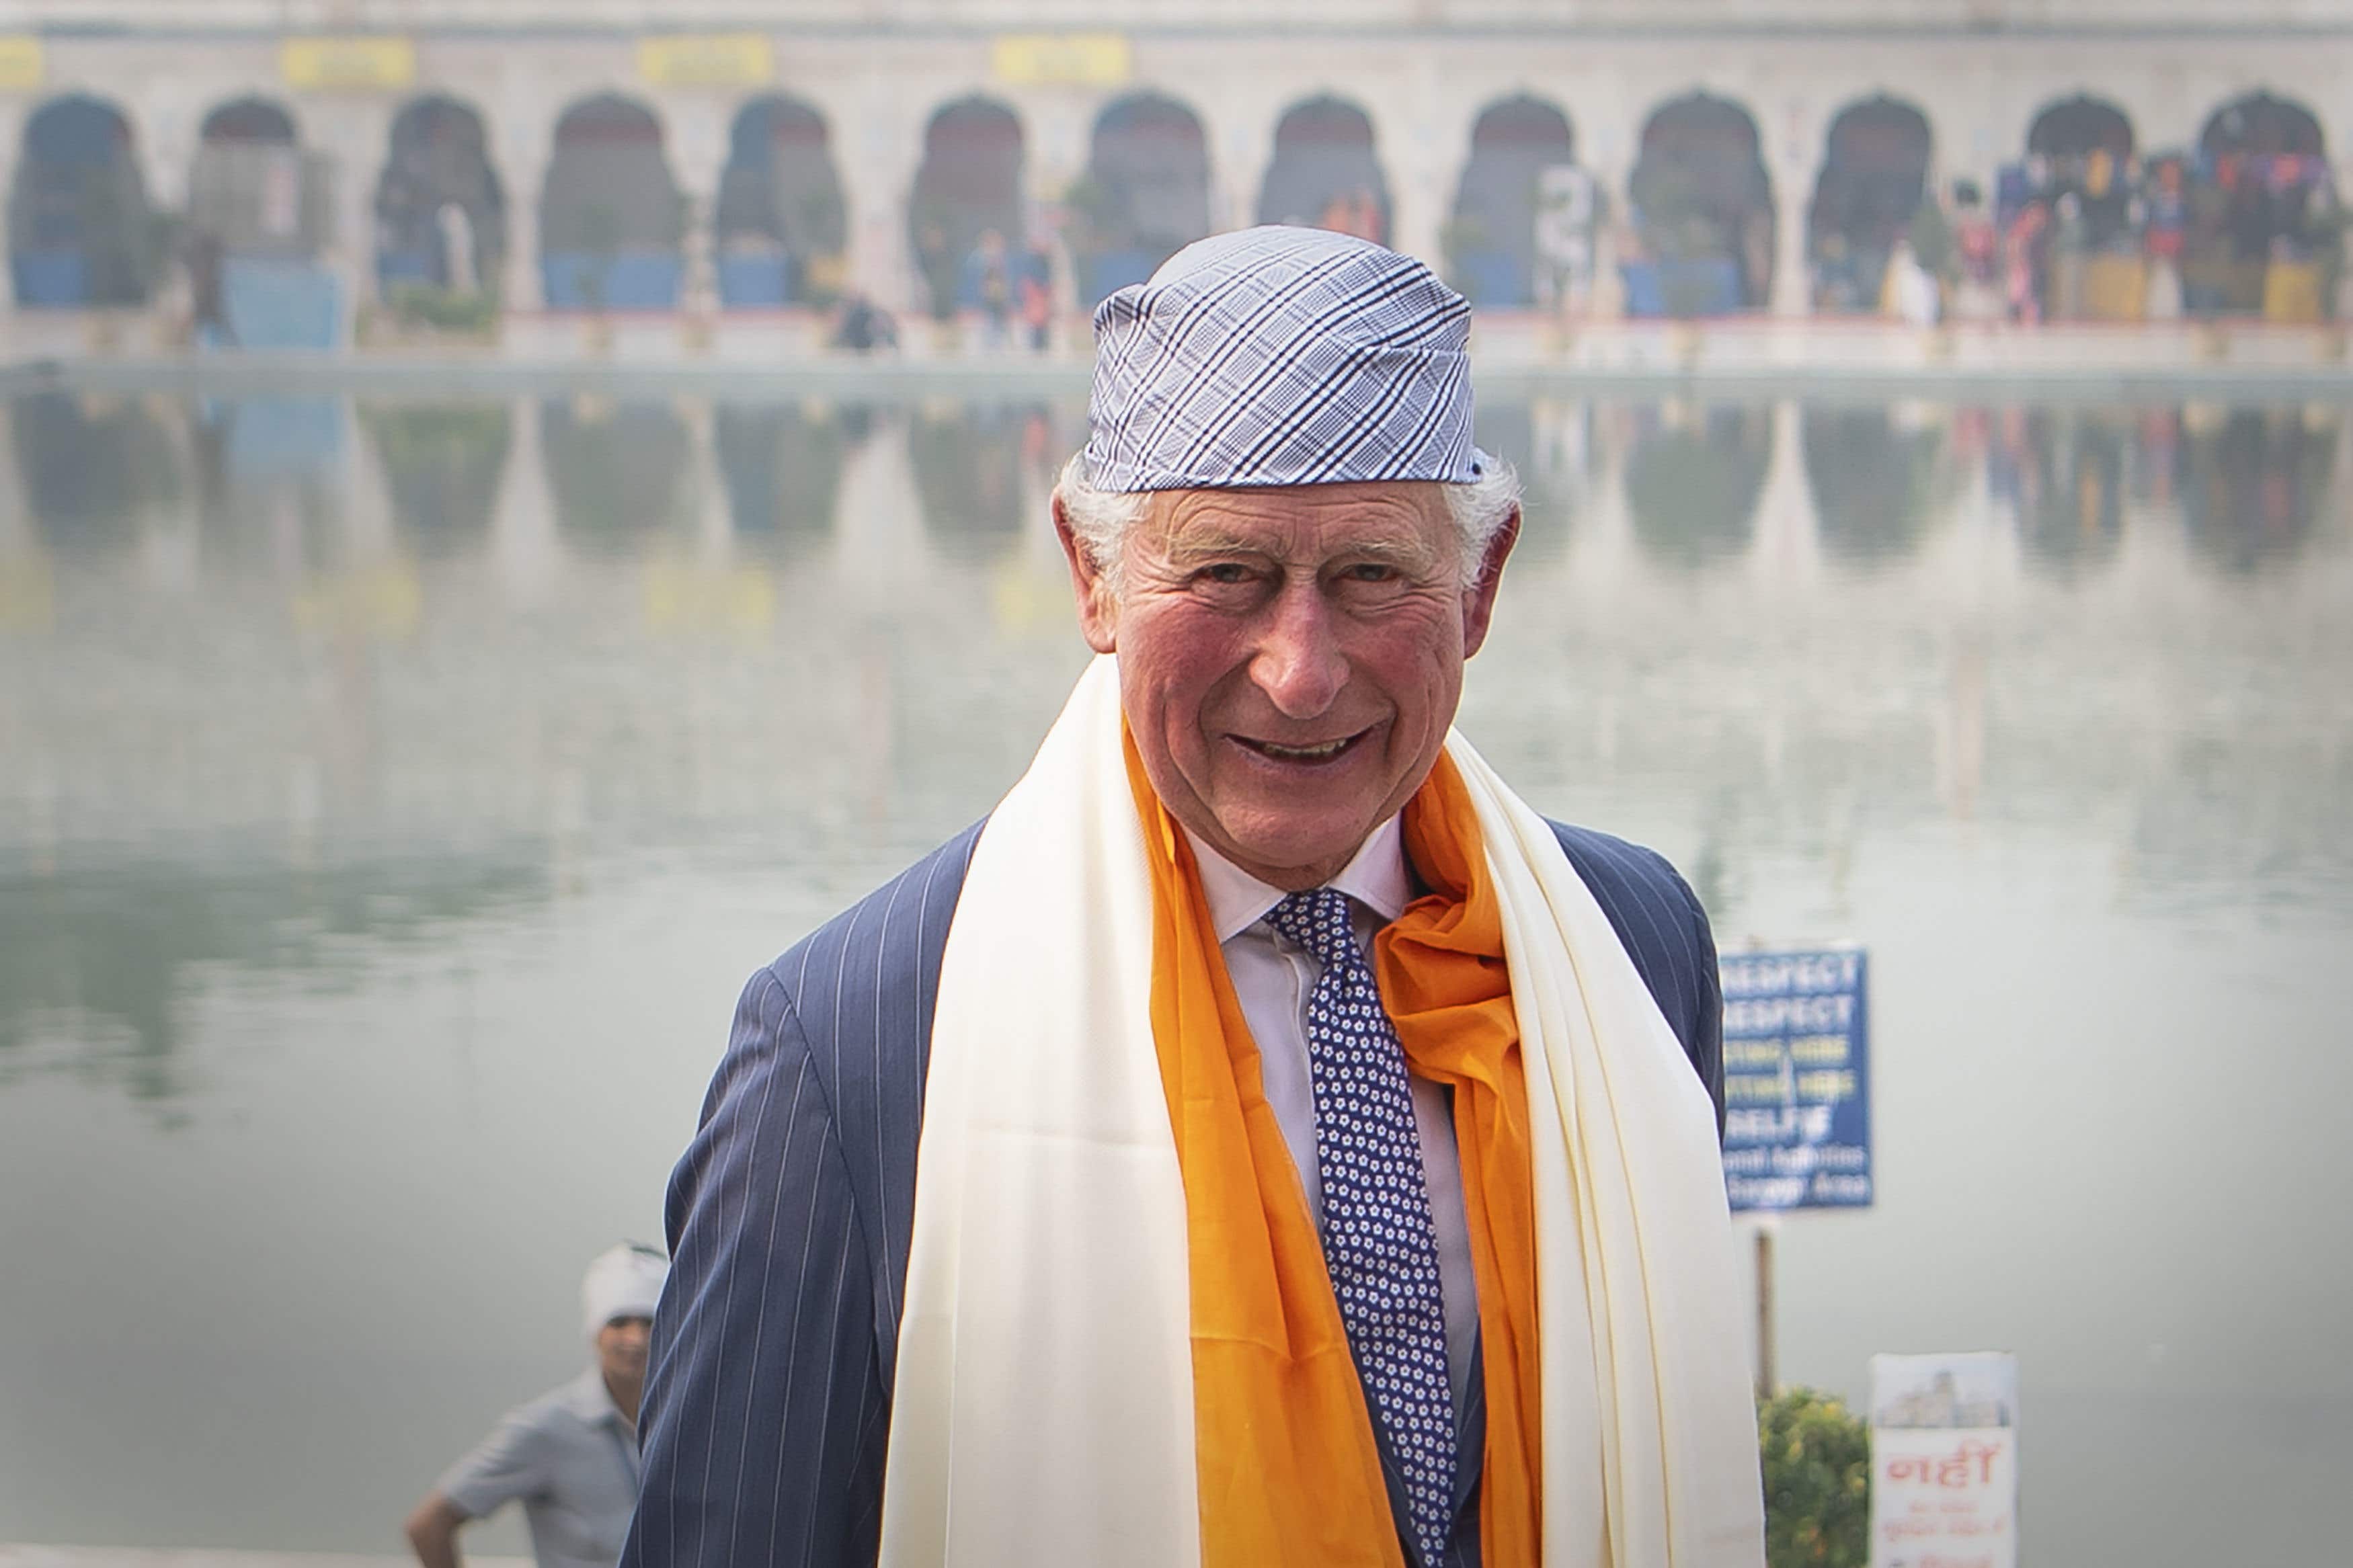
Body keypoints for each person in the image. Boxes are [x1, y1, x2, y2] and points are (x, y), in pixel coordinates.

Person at [625, 226, 1763, 1568]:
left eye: (1371, 576)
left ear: (1483, 581)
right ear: (1091, 574)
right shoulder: (858, 1043)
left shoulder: (1623, 952)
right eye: (1225, 572)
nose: (1300, 669)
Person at [405, 1243, 668, 1568]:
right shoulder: (549, 1426)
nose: (636, 1339)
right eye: (619, 1322)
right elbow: (428, 1527)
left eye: (649, 1322)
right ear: (596, 1331)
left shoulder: (685, 1423)